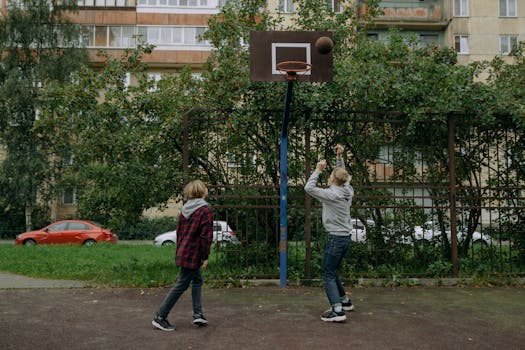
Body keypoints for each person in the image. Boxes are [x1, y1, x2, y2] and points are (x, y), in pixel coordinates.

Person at [152, 180, 213, 331]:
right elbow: (206, 236)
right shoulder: (205, 210)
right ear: (202, 191)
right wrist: (205, 256)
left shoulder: (184, 209)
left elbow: (179, 234)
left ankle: (198, 314)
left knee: (197, 280)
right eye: (205, 187)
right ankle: (160, 316)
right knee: (181, 284)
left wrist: (179, 252)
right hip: (194, 254)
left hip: (184, 252)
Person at [304, 144, 354, 322]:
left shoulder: (331, 194)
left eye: (331, 174)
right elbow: (343, 174)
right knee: (333, 271)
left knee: (327, 273)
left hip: (336, 239)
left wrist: (317, 170)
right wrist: (339, 156)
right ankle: (345, 301)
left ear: (333, 179)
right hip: (346, 238)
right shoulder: (347, 190)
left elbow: (308, 188)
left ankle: (338, 311)